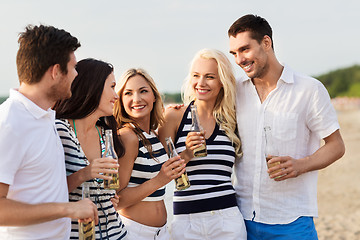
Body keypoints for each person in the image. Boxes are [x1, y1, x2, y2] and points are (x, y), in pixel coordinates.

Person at [228, 14, 346, 239]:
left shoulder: (309, 90)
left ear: (266, 43)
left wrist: (301, 165)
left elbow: (336, 146)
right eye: (234, 53)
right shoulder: (235, 91)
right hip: (241, 221)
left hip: (292, 221)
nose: (239, 59)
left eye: (245, 49)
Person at [0, 25, 98, 239]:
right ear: (55, 72)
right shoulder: (9, 123)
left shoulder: (44, 116)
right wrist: (68, 209)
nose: (77, 74)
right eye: (73, 67)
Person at [158, 48, 247, 240]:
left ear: (223, 81)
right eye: (196, 75)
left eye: (210, 77)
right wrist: (188, 154)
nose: (201, 83)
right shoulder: (174, 117)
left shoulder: (232, 118)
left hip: (228, 220)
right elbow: (159, 173)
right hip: (186, 221)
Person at [54, 58, 128, 239]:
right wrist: (86, 173)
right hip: (77, 234)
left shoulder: (106, 134)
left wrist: (107, 197)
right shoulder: (60, 130)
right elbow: (50, 191)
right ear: (93, 87)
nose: (116, 96)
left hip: (117, 233)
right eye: (112, 87)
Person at [113, 68, 186, 240]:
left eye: (143, 91)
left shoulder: (152, 134)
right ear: (121, 100)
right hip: (133, 232)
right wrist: (159, 180)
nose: (136, 99)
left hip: (161, 233)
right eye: (128, 93)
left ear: (154, 96)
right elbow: (117, 199)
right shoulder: (127, 136)